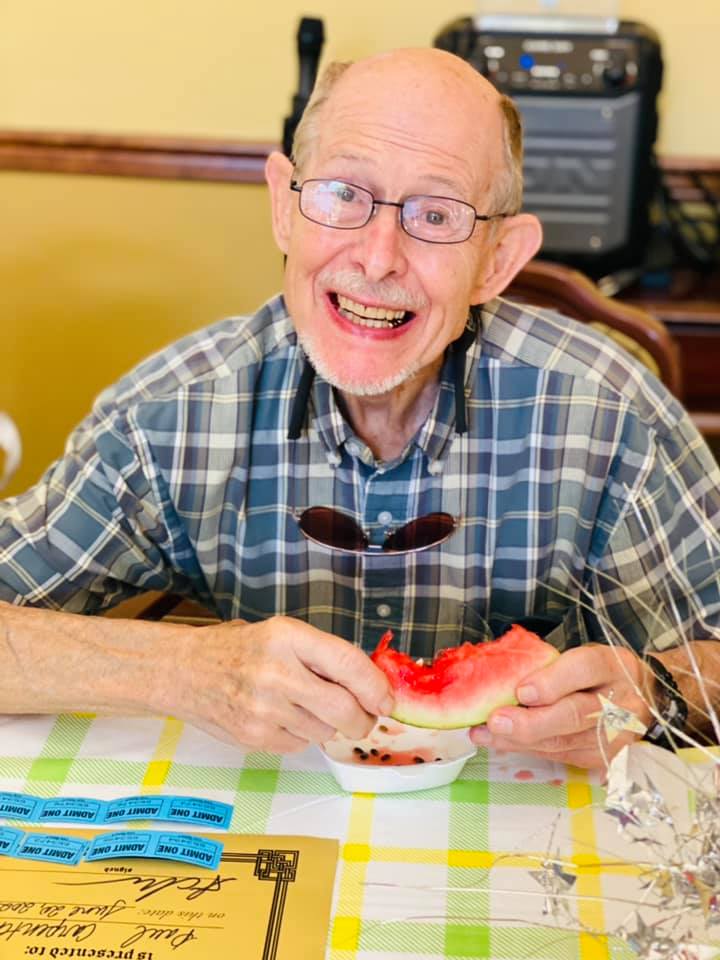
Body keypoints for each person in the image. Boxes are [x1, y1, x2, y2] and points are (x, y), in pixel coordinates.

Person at [1, 49, 719, 770]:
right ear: (285, 206)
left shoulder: (608, 416)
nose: (378, 259)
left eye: (436, 214)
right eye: (344, 194)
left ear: (497, 260)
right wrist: (182, 667)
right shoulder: (171, 415)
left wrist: (658, 691)